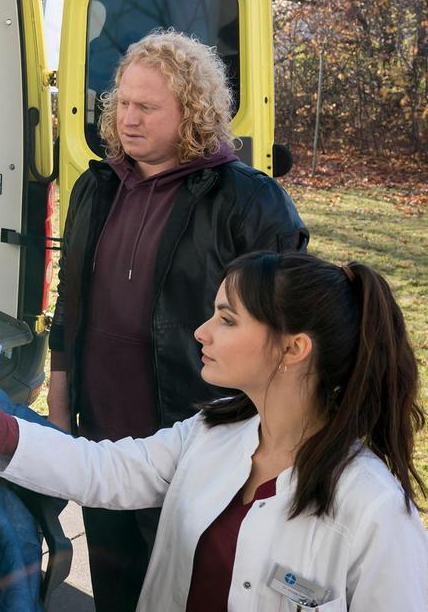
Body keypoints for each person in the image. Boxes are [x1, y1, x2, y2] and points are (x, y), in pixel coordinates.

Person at [0, 252, 428, 611]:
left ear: (293, 349)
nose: (202, 331)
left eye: (228, 320)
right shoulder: (211, 433)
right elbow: (104, 471)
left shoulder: (373, 510)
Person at [46, 31, 308, 610]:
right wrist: (61, 407)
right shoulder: (97, 186)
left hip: (201, 437)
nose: (128, 119)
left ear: (190, 110)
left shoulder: (248, 200)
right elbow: (71, 301)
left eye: (147, 107)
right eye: (122, 104)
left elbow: (290, 332)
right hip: (103, 436)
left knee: (192, 589)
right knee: (115, 588)